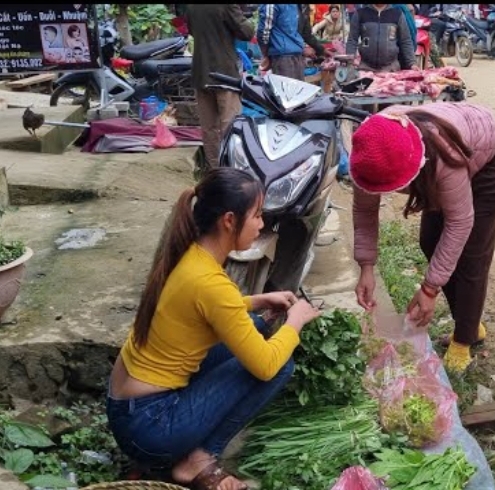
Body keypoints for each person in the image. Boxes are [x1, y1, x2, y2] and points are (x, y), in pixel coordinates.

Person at [106, 167, 321, 490]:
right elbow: (264, 365)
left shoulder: (188, 252)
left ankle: (184, 451)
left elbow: (204, 306)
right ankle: (198, 459)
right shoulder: (211, 283)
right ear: (229, 221)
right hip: (149, 427)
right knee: (278, 364)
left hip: (129, 407)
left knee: (256, 326)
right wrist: (295, 320)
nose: (262, 224)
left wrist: (258, 301)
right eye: (258, 215)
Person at [350, 103, 495, 374]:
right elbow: (365, 211)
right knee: (430, 240)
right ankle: (470, 323)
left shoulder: (440, 154)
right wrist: (366, 267)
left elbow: (460, 222)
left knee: (471, 257)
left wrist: (429, 289)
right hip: (441, 162)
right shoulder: (368, 154)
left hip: (488, 162)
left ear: (413, 168)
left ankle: (464, 339)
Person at [186, 5, 254, 170]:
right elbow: (246, 32)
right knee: (230, 125)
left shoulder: (191, 7)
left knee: (209, 128)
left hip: (201, 71)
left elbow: (193, 31)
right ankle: (231, 170)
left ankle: (215, 171)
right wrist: (247, 18)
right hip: (224, 74)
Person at [258, 4, 329, 80]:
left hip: (284, 56)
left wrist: (265, 53)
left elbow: (263, 32)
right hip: (290, 54)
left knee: (288, 89)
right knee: (295, 89)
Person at [346, 4, 417, 73]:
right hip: (365, 68)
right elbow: (352, 40)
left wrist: (412, 63)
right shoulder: (360, 13)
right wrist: (349, 62)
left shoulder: (397, 14)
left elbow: (405, 41)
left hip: (391, 70)